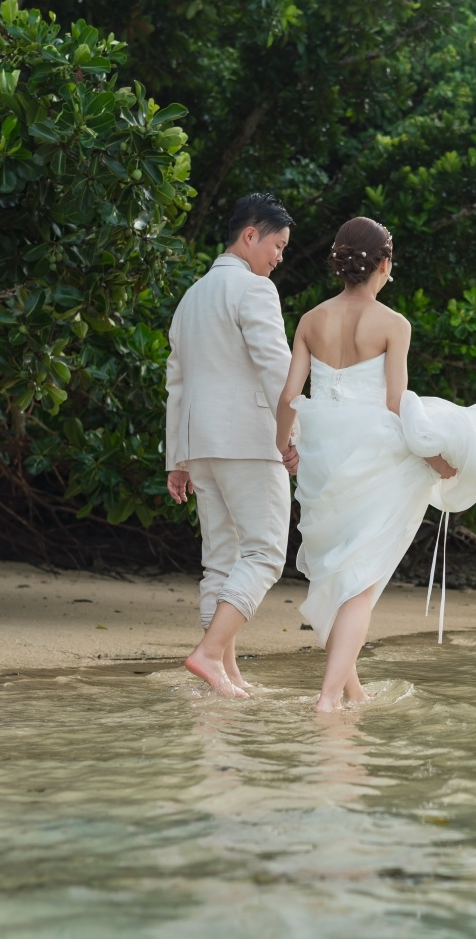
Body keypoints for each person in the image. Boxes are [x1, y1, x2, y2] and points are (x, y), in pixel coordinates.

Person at [275, 216, 476, 712]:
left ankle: (353, 689)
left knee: (343, 571)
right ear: (382, 264)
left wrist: (285, 446)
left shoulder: (310, 320)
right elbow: (395, 405)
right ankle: (327, 699)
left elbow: (290, 395)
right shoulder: (393, 324)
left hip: (323, 456)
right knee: (360, 584)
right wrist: (437, 460)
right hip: (376, 456)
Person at [166, 193, 299, 699]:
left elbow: (175, 385)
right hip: (247, 440)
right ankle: (206, 655)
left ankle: (224, 673)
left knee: (221, 561)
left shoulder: (192, 296)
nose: (279, 258)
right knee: (265, 553)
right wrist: (292, 439)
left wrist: (177, 460)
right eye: (278, 246)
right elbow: (277, 372)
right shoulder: (254, 290)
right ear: (251, 235)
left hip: (201, 444)